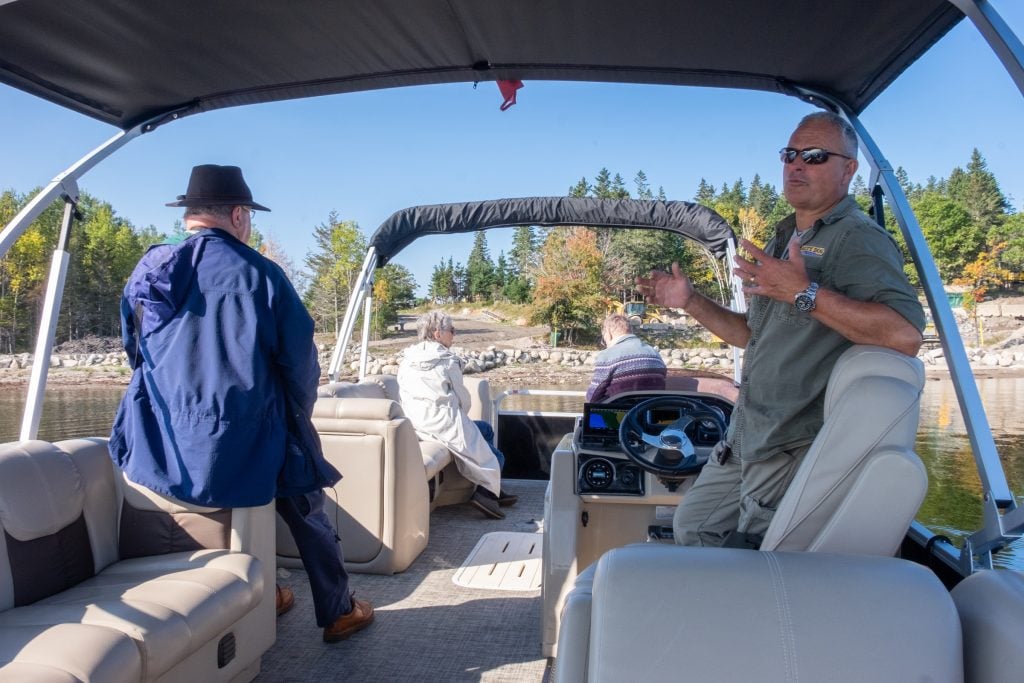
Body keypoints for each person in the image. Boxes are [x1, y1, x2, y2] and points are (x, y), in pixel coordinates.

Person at [108, 164, 374, 643]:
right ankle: (338, 610)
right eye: (248, 215)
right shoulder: (262, 276)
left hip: (160, 442)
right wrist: (296, 416)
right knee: (303, 495)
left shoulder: (149, 271)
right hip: (250, 436)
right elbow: (299, 366)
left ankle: (265, 591)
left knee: (244, 487)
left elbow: (134, 351)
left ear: (189, 216)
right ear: (237, 215)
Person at [636, 112, 926, 547]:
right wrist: (690, 301)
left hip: (790, 443)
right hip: (746, 436)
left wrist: (803, 292)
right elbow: (749, 336)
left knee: (756, 557)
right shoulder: (785, 239)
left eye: (813, 155)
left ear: (848, 170)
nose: (796, 165)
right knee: (693, 527)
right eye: (789, 154)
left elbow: (905, 335)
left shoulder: (857, 239)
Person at [397, 311, 517, 519]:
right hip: (444, 423)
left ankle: (494, 491)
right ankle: (485, 494)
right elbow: (463, 400)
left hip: (416, 424)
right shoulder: (446, 361)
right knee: (496, 457)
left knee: (486, 430)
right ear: (437, 334)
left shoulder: (407, 359)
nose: (454, 334)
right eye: (451, 330)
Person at [586, 313, 667, 403]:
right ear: (630, 331)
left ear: (608, 333)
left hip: (621, 415)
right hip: (650, 414)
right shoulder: (655, 354)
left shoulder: (607, 355)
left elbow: (593, 396)